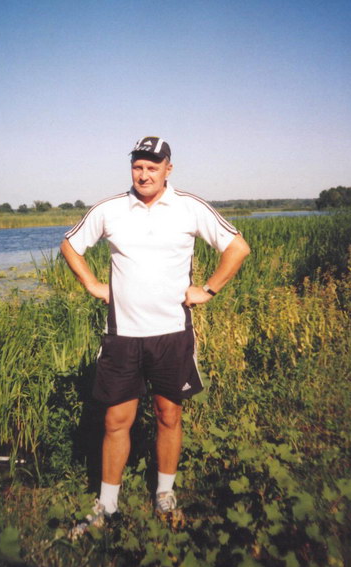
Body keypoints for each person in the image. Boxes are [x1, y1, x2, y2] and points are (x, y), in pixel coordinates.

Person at [60, 136, 250, 534]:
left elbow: (237, 247)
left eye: (152, 167)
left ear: (168, 169)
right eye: (138, 166)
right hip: (122, 335)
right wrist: (92, 284)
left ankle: (164, 493)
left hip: (172, 334)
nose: (144, 174)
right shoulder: (109, 209)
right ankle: (107, 504)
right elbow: (70, 246)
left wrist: (208, 289)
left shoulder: (189, 206)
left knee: (169, 413)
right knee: (116, 419)